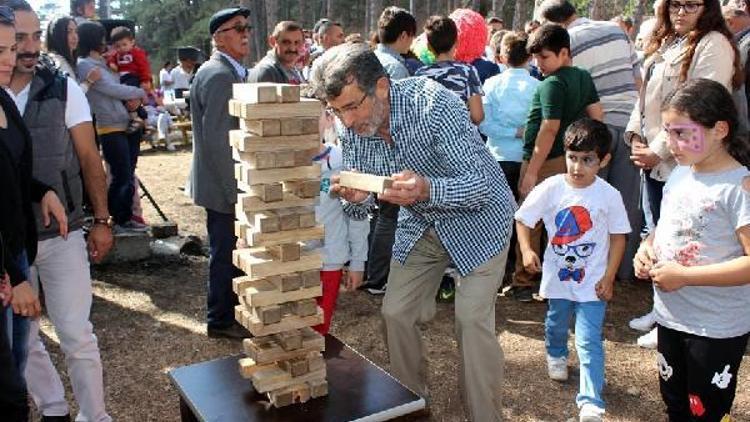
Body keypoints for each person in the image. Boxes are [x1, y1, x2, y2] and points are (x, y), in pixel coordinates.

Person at [311, 42, 516, 422]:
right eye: (337, 111)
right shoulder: (352, 126)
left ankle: (485, 417)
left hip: (481, 219)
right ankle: (410, 408)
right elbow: (361, 204)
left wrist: (427, 188)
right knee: (396, 314)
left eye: (353, 106)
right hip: (421, 222)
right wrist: (356, 197)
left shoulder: (434, 105)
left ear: (382, 87)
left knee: (471, 321)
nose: (348, 121)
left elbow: (478, 186)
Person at [5, 2, 114, 420]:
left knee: (76, 334)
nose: (31, 48)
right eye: (19, 39)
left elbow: (89, 158)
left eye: (36, 36)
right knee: (24, 338)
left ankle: (95, 416)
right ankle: (53, 409)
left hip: (63, 234)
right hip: (12, 242)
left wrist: (102, 221)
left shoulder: (62, 87)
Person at [625, 0, 741, 349]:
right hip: (661, 160)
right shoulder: (665, 41)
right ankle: (662, 308)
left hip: (688, 158)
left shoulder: (713, 44)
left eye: (691, 4)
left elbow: (699, 105)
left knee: (696, 237)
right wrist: (635, 136)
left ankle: (676, 312)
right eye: (675, 4)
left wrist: (659, 148)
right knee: (662, 229)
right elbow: (647, 98)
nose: (681, 12)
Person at [634, 78, 750, 422]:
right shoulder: (680, 176)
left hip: (715, 328)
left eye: (682, 133)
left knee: (706, 412)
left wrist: (684, 276)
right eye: (668, 133)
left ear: (720, 130)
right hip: (671, 317)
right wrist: (646, 247)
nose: (672, 144)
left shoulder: (738, 188)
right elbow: (665, 228)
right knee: (676, 405)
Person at [516, 118, 630, 422]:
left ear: (603, 160)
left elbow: (619, 238)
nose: (577, 167)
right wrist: (527, 250)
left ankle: (591, 401)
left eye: (587, 160)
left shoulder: (609, 195)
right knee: (557, 321)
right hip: (558, 280)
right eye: (572, 158)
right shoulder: (552, 187)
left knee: (588, 338)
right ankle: (555, 352)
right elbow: (524, 219)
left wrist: (609, 277)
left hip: (593, 283)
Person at [539, 0, 643, 285]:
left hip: (597, 128)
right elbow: (638, 80)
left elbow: (575, 90)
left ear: (555, 26)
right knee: (626, 202)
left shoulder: (568, 42)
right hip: (632, 123)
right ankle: (624, 270)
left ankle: (591, 269)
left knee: (590, 200)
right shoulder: (618, 30)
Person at [0, 6, 66, 419]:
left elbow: (10, 176)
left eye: (10, 48)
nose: (9, 58)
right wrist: (17, 276)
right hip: (6, 271)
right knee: (6, 388)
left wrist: (43, 191)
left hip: (18, 254)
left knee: (15, 371)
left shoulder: (4, 99)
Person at [511, 23, 603, 302]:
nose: (539, 64)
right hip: (571, 160)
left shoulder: (552, 84)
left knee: (531, 219)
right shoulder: (583, 77)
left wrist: (532, 172)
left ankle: (524, 281)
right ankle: (560, 279)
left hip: (544, 160)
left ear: (564, 52)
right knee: (565, 223)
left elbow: (549, 128)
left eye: (544, 57)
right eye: (535, 58)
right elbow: (598, 118)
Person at [188, 6, 252, 339]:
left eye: (247, 27)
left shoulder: (229, 71)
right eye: (237, 28)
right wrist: (235, 192)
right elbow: (218, 141)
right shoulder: (219, 75)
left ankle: (227, 315)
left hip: (224, 182)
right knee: (225, 254)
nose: (245, 33)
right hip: (223, 185)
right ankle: (221, 319)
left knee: (228, 251)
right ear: (218, 38)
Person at [363, 6, 417, 296]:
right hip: (388, 146)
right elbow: (399, 114)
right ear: (405, 35)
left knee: (380, 212)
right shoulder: (395, 67)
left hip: (370, 146)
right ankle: (378, 277)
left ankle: (373, 270)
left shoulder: (370, 59)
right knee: (389, 212)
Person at [480, 31, 540, 284]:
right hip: (526, 159)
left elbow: (484, 125)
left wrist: (510, 132)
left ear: (503, 55)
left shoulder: (491, 84)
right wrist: (521, 133)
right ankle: (520, 269)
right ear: (529, 55)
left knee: (496, 216)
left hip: (497, 157)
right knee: (524, 215)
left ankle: (497, 270)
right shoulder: (537, 87)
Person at [77, 20, 146, 233]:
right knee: (121, 175)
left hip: (127, 122)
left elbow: (125, 81)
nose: (105, 42)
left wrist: (137, 100)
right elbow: (112, 89)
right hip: (109, 126)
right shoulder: (85, 65)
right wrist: (142, 93)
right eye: (101, 38)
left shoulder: (107, 62)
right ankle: (115, 219)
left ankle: (126, 218)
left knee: (128, 173)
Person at [312, 112, 369, 335]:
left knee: (317, 331)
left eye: (313, 116)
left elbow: (357, 216)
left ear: (327, 118)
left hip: (329, 260)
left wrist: (357, 262)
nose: (307, 124)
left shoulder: (344, 161)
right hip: (291, 261)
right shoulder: (277, 164)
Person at [415, 16, 484, 125]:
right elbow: (478, 116)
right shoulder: (468, 71)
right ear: (456, 42)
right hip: (459, 138)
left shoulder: (420, 74)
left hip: (430, 139)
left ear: (428, 46)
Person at [108, 26, 152, 133]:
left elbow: (144, 67)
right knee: (126, 101)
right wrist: (111, 63)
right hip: (122, 79)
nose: (122, 48)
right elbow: (111, 60)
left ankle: (144, 121)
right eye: (118, 46)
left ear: (132, 42)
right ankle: (138, 120)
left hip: (133, 78)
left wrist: (144, 81)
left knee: (131, 99)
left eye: (124, 44)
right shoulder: (116, 55)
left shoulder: (137, 53)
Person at [45, 16, 100, 93]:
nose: (75, 37)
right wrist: (89, 81)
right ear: (58, 35)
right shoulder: (56, 62)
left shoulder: (65, 60)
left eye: (76, 31)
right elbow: (70, 95)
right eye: (69, 32)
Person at [373, 6, 416, 81]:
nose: (413, 40)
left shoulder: (369, 58)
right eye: (412, 35)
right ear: (403, 36)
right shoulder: (396, 69)